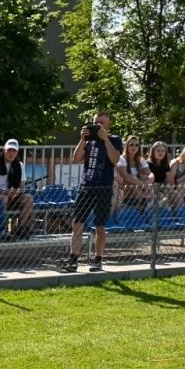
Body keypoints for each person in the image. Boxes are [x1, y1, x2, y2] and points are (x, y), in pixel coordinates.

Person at [62, 113, 122, 273]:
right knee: (77, 223)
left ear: (108, 123)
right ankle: (73, 258)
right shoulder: (88, 141)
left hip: (104, 187)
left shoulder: (115, 139)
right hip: (86, 186)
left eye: (101, 123)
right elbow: (76, 158)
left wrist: (105, 139)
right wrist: (82, 139)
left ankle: (98, 259)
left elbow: (115, 159)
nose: (98, 125)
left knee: (100, 225)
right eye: (95, 122)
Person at [0, 139, 35, 237]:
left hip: (14, 194)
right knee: (3, 199)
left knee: (29, 198)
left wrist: (17, 191)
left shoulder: (20, 165)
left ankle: (21, 228)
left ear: (17, 152)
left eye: (14, 151)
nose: (11, 153)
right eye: (9, 150)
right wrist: (5, 191)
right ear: (4, 150)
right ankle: (0, 229)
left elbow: (22, 185)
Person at [113, 135, 149, 209]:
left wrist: (147, 182)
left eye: (136, 145)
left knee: (145, 177)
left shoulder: (140, 160)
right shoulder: (121, 159)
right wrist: (142, 183)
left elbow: (150, 174)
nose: (134, 147)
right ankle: (145, 202)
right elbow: (125, 177)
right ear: (127, 146)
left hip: (139, 186)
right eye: (131, 145)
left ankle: (148, 202)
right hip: (125, 187)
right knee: (133, 180)